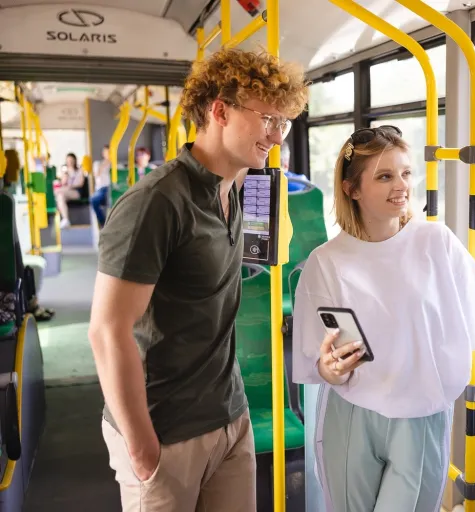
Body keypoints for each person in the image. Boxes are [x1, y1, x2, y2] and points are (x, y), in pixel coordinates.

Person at [88, 47, 309, 511]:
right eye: (268, 119)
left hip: (230, 415)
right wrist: (142, 449)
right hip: (165, 429)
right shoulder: (156, 202)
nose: (276, 136)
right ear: (220, 111)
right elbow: (108, 331)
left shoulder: (237, 190)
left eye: (283, 124)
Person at [292, 125, 475, 512]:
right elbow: (319, 362)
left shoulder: (437, 243)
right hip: (351, 415)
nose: (402, 186)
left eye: (406, 173)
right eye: (385, 176)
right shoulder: (325, 262)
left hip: (421, 415)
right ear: (352, 189)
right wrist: (331, 370)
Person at [55, 152, 86, 228]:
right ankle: (65, 219)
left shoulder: (80, 170)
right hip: (66, 192)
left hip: (76, 192)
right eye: (68, 161)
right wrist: (65, 176)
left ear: (74, 161)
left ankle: (64, 219)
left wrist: (71, 186)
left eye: (71, 160)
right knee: (60, 196)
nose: (70, 162)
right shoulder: (65, 171)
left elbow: (81, 183)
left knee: (57, 192)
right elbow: (63, 183)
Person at [90, 145, 111, 228]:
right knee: (94, 199)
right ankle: (103, 222)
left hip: (111, 188)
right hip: (101, 189)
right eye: (106, 152)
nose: (108, 154)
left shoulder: (115, 164)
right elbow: (96, 174)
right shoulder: (97, 164)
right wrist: (106, 163)